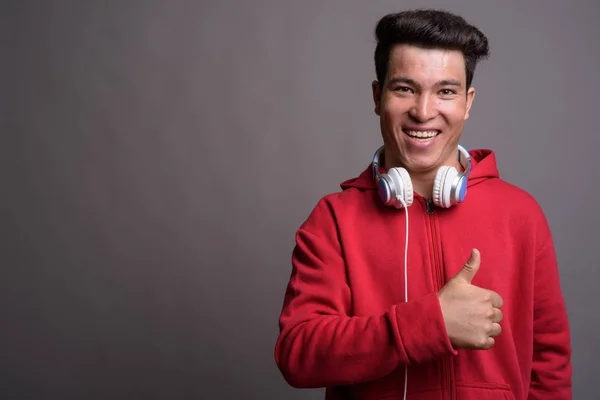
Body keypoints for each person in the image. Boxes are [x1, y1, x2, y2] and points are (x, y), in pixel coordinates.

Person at [274, 8, 572, 400]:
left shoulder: (521, 214)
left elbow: (549, 367)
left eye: (445, 91)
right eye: (405, 89)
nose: (424, 111)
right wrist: (429, 325)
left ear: (467, 102)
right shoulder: (334, 219)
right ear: (378, 97)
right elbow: (299, 354)